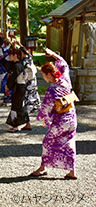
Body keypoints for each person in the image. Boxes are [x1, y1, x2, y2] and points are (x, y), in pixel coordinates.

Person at [30, 48, 78, 179]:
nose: (43, 78)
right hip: (72, 118)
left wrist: (45, 119)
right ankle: (72, 171)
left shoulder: (51, 91)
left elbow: (47, 108)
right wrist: (54, 55)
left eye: (44, 76)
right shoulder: (65, 81)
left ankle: (43, 167)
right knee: (69, 142)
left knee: (47, 142)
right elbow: (64, 64)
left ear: (49, 75)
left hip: (62, 121)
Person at [5, 48, 29, 133]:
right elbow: (5, 62)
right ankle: (25, 123)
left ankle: (15, 126)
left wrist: (8, 85)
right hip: (21, 86)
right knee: (19, 105)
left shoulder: (16, 66)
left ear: (15, 55)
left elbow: (13, 77)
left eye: (10, 55)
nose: (8, 57)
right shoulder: (18, 64)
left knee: (16, 106)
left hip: (19, 87)